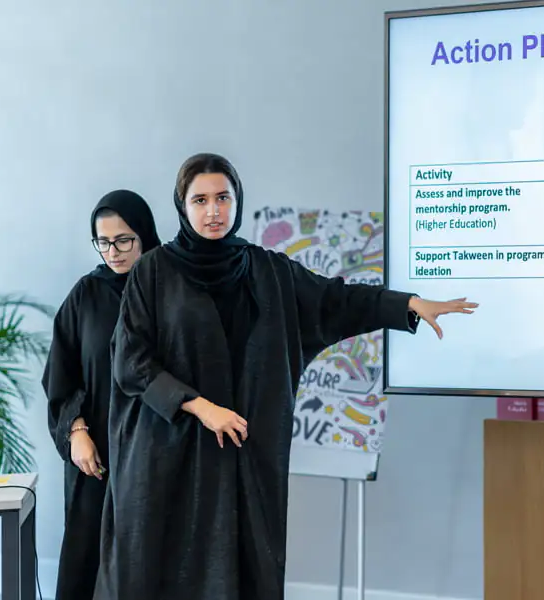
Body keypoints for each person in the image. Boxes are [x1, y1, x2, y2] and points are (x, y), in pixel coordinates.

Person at [93, 153, 476, 600]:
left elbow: (336, 301)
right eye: (200, 200)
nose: (213, 210)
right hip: (167, 453)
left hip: (242, 453)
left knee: (241, 564)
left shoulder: (268, 270)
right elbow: (130, 361)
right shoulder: (152, 272)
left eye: (223, 197)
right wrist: (201, 407)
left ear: (237, 201)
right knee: (160, 567)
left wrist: (408, 304)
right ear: (182, 205)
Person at [43, 189, 161, 600]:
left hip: (155, 453)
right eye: (103, 241)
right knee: (85, 562)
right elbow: (60, 374)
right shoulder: (86, 295)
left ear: (144, 235)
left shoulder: (169, 291)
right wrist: (75, 432)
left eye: (124, 240)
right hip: (94, 458)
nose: (114, 251)